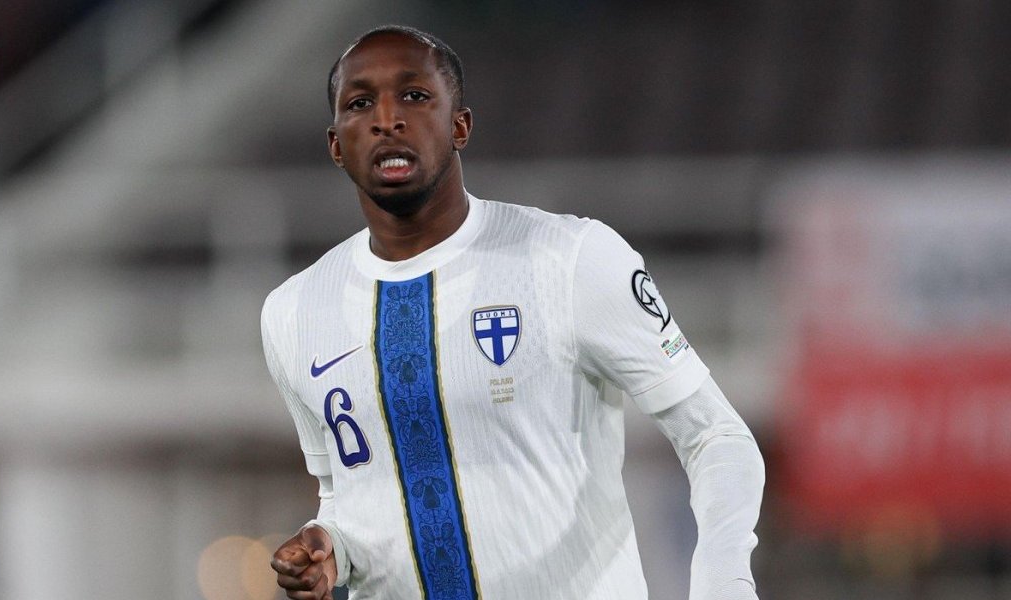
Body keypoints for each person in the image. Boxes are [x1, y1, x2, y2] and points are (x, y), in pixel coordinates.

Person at [261, 24, 765, 600]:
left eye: (414, 96)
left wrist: (723, 581)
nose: (387, 119)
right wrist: (330, 547)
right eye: (360, 104)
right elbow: (347, 493)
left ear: (460, 126)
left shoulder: (570, 260)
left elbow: (716, 436)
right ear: (335, 145)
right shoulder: (293, 312)